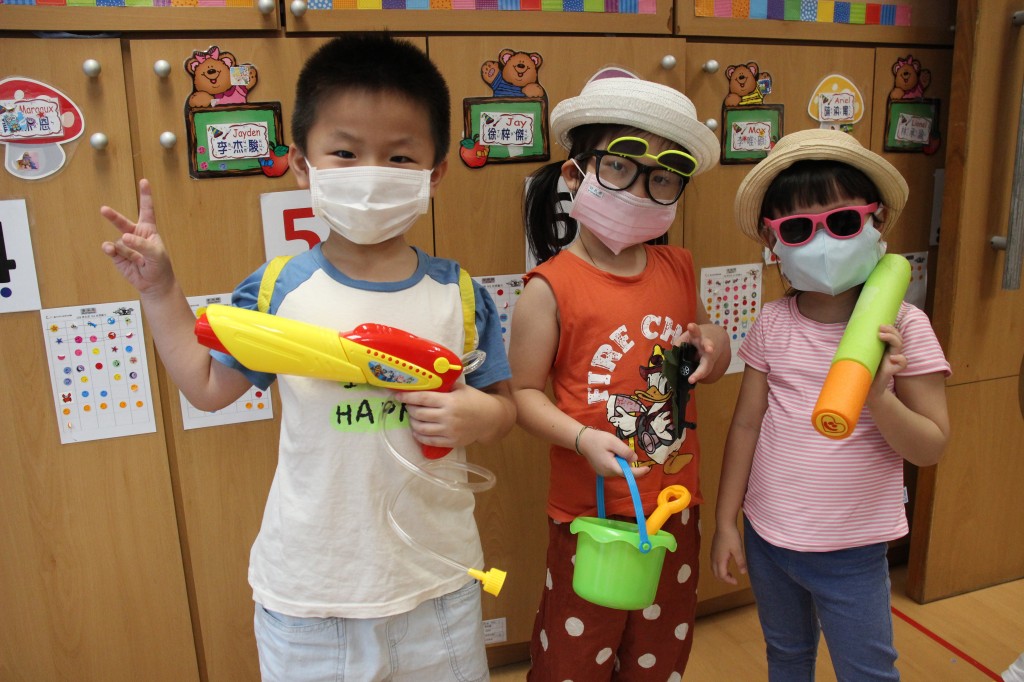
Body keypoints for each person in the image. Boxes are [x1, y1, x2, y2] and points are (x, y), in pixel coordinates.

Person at [99, 33, 515, 682]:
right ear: (302, 164)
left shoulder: (458, 293)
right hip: (312, 596)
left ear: (434, 172)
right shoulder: (278, 289)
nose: (369, 173)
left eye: (399, 156)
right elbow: (206, 386)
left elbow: (505, 409)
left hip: (438, 585)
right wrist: (160, 290)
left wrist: (479, 416)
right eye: (344, 152)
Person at [509, 69, 731, 681]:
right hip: (591, 515)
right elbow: (522, 395)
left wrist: (716, 345)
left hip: (674, 504)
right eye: (619, 167)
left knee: (659, 650)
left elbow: (708, 353)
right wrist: (582, 438)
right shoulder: (549, 288)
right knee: (576, 655)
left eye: (661, 177)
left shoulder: (678, 267)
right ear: (575, 175)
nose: (639, 191)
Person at [710, 129, 951, 681]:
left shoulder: (905, 327)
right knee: (787, 656)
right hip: (768, 538)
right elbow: (746, 426)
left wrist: (878, 396)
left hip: (851, 550)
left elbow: (931, 446)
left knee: (866, 671)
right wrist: (726, 521)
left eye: (842, 222)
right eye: (798, 229)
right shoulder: (773, 322)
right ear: (773, 242)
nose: (822, 242)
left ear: (876, 220)